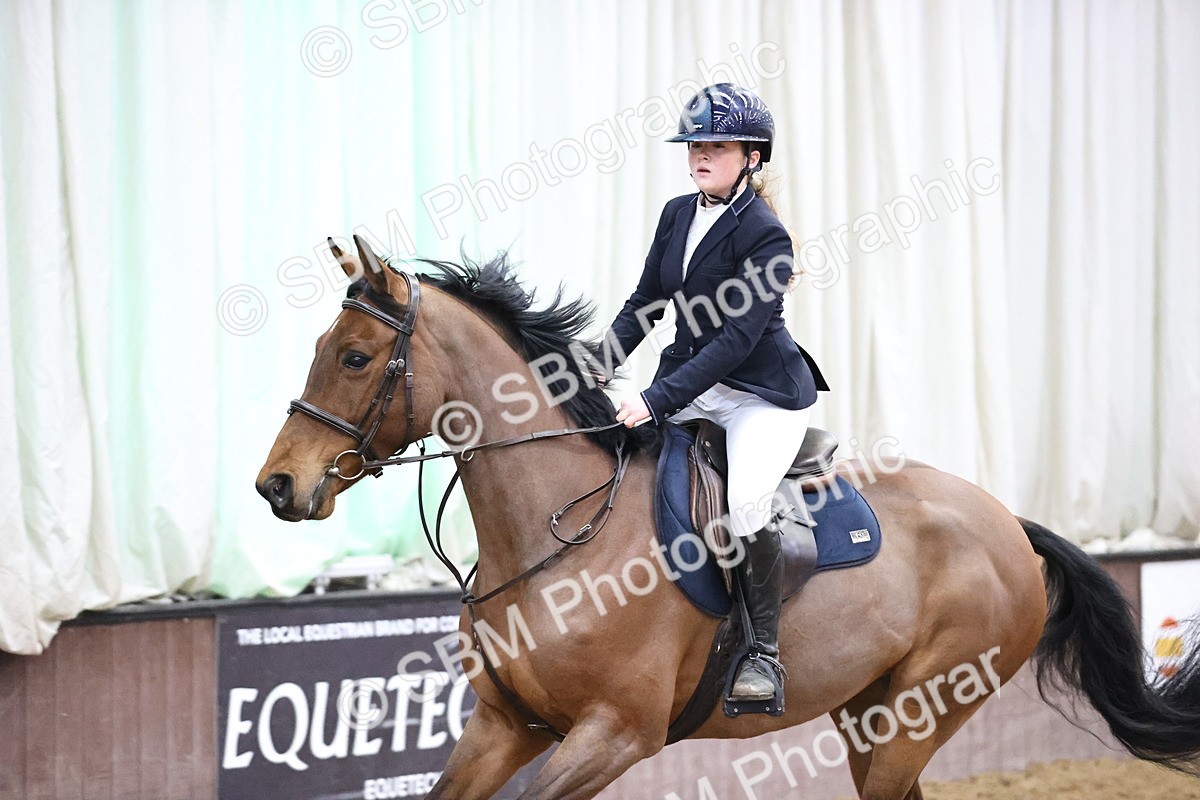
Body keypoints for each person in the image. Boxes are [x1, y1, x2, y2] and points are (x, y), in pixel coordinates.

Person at [603, 83, 829, 712]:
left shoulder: (767, 237)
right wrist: (593, 367)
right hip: (696, 383)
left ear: (752, 156)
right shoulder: (678, 212)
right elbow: (647, 302)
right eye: (694, 145)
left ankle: (762, 654)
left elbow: (734, 343)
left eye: (716, 146)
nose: (700, 155)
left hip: (760, 395)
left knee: (748, 505)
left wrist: (656, 397)